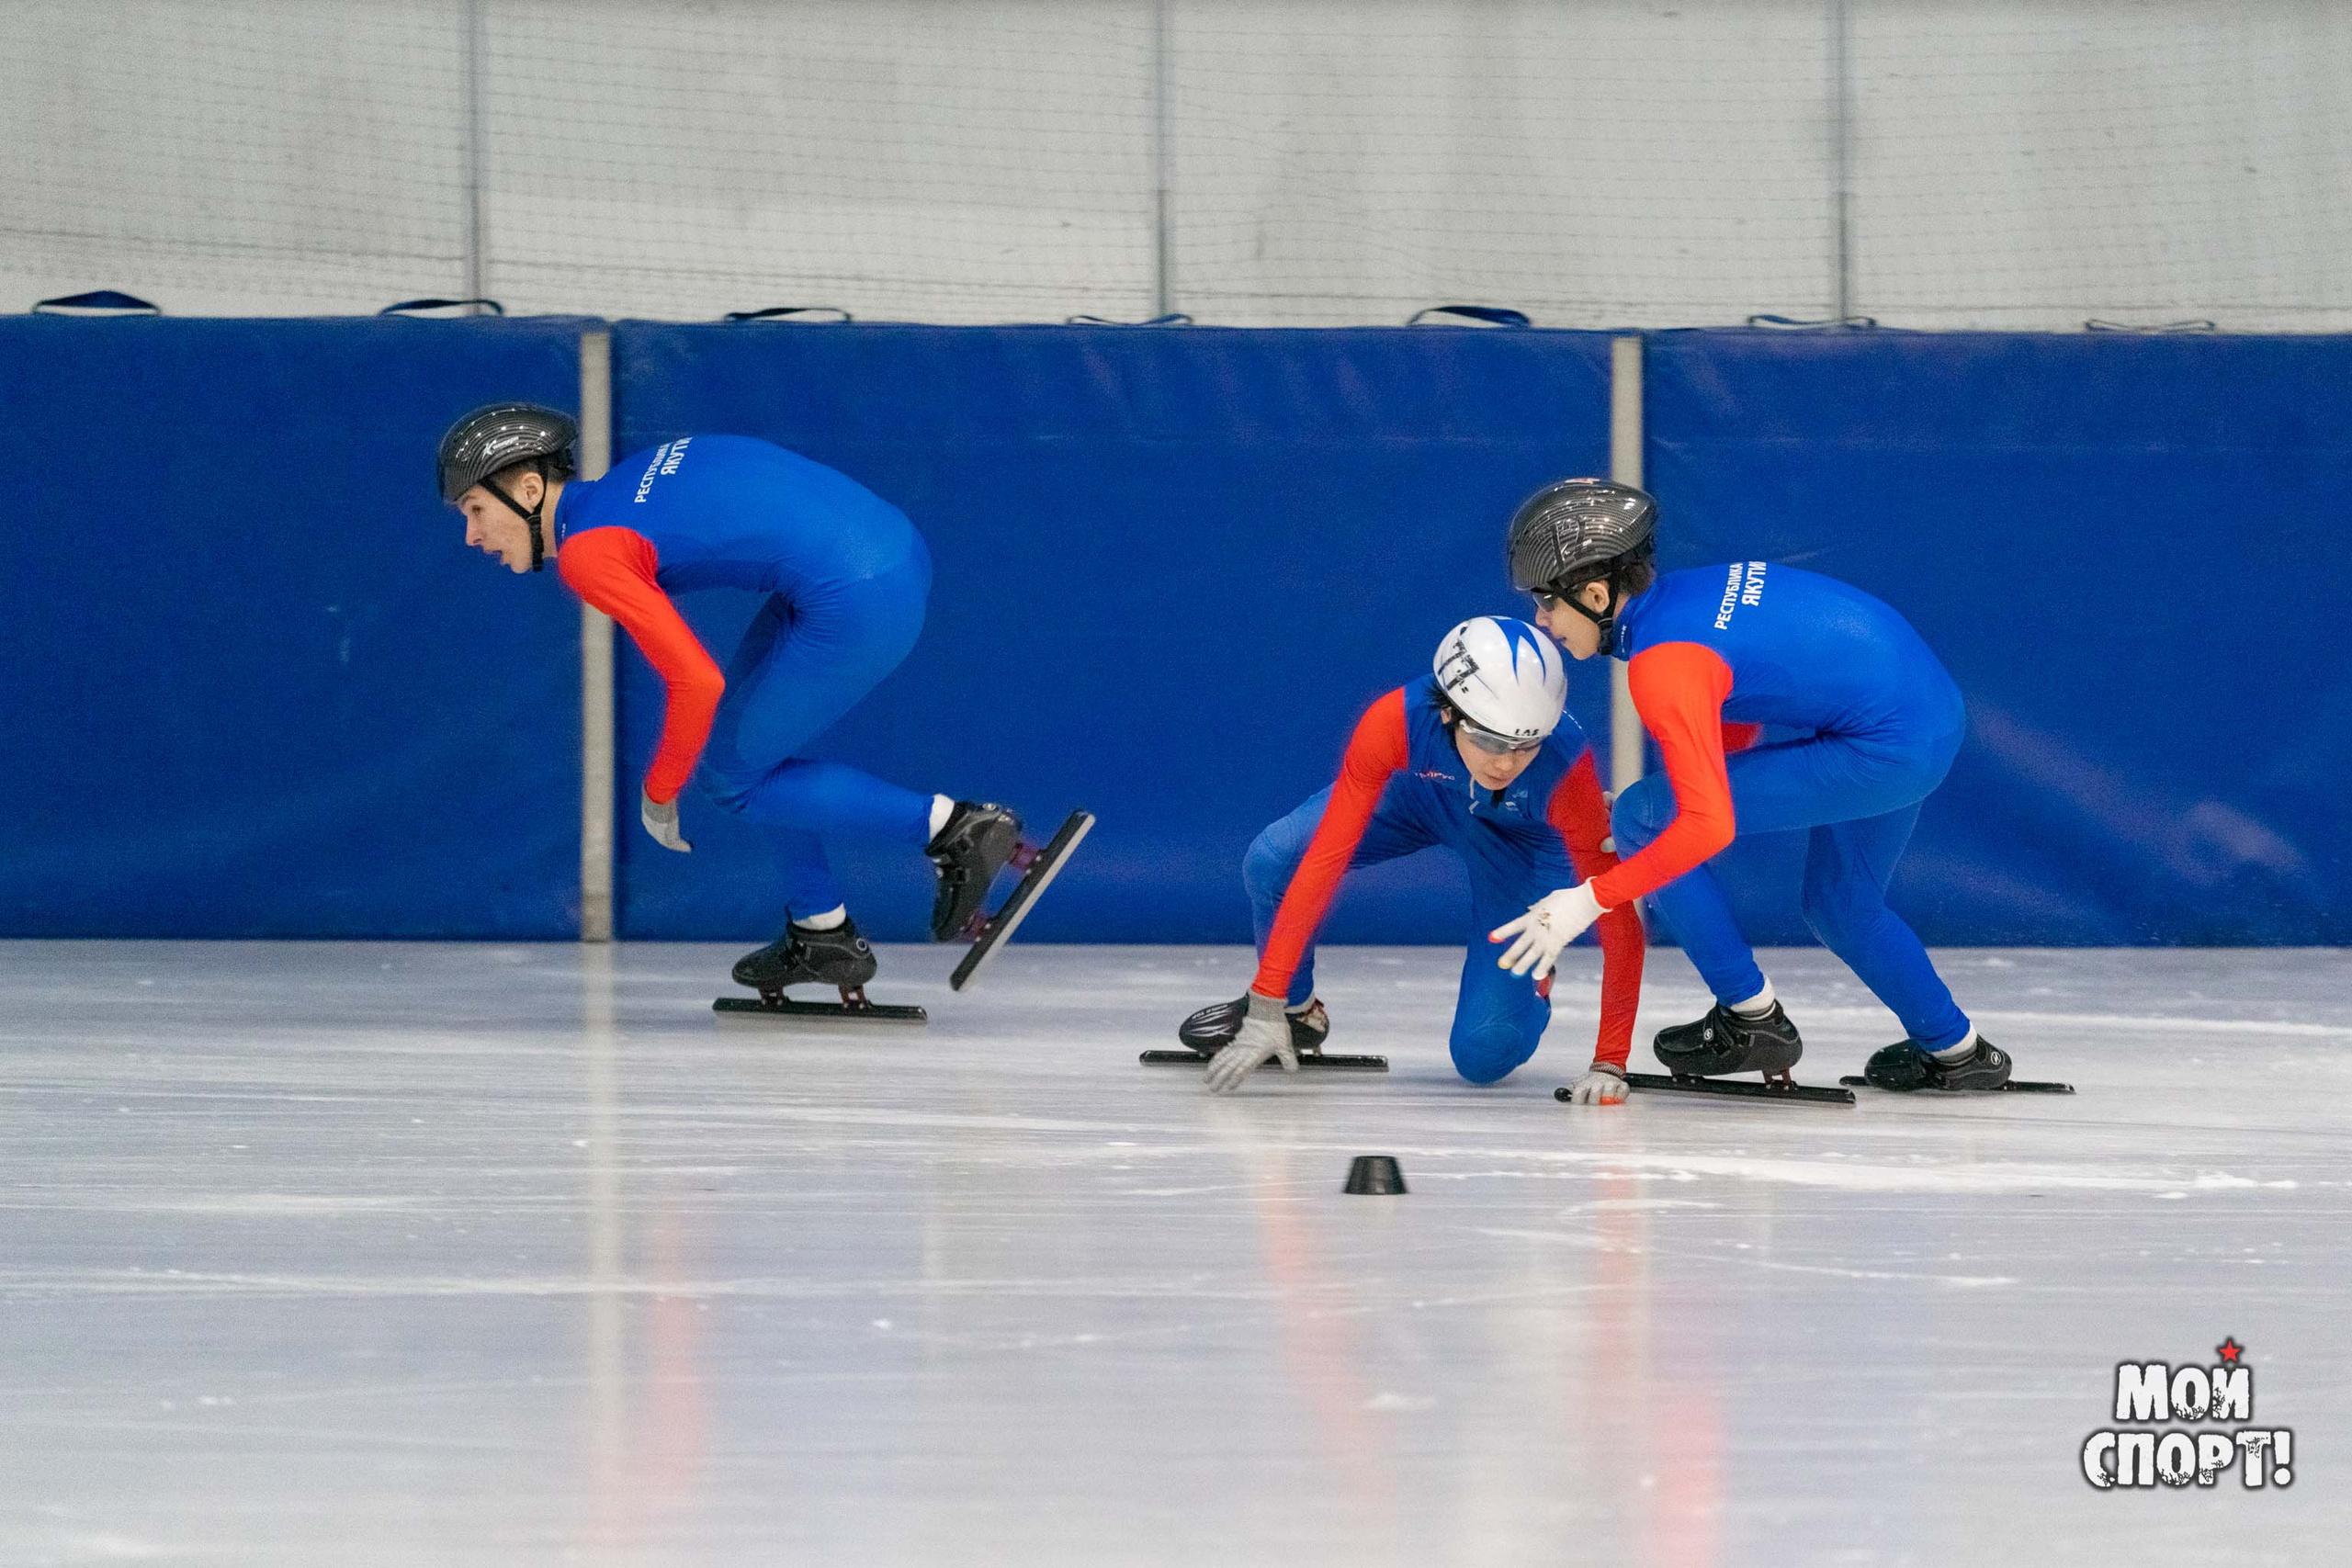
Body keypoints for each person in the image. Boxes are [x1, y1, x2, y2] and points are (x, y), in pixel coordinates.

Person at [435, 403, 1025, 998]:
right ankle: (820, 930)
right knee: (742, 761)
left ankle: (955, 828)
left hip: (856, 594)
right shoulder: (636, 472)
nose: (472, 535)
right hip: (891, 547)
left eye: (476, 510)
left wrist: (661, 788)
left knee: (732, 780)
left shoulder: (590, 553)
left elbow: (696, 680)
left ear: (530, 489)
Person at [1488, 478, 2011, 1091]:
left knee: (1639, 816)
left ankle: (1749, 1016)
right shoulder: (1693, 595)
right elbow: (1746, 694)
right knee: (1841, 903)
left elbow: (1709, 824)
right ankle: (1958, 1050)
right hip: (1927, 711)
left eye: (1547, 601)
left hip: (1884, 743)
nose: (1541, 620)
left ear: (1596, 593)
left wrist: (1588, 899)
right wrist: (1677, 801)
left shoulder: (1664, 662)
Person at [1187, 615, 1645, 1100]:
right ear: (1448, 712)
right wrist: (1267, 1002)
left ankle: (1534, 985)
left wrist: (1610, 1061)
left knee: (1483, 1055)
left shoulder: (1566, 771)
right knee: (1275, 859)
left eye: (1525, 743)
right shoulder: (1396, 720)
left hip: (1523, 843)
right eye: (1489, 740)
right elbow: (1324, 858)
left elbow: (1619, 921)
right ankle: (1297, 1013)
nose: (1505, 762)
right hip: (1419, 795)